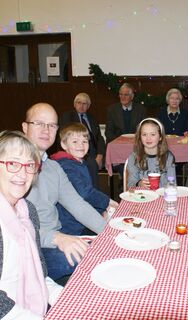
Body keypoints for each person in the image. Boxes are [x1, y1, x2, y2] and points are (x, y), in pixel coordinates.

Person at [22, 103, 114, 281]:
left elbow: (77, 205)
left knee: (104, 251)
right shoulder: (13, 169)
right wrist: (57, 238)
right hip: (29, 249)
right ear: (25, 127)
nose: (46, 130)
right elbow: (15, 229)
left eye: (52, 125)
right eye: (39, 123)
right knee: (90, 262)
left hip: (55, 241)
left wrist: (109, 234)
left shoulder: (53, 167)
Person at [0, 131, 62, 319]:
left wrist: (65, 297)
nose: (22, 173)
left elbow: (39, 275)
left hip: (35, 308)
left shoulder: (28, 211)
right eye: (12, 163)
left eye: (29, 165)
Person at [51, 123, 115, 236]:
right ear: (64, 144)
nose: (80, 145)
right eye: (75, 141)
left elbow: (89, 194)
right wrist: (108, 202)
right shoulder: (66, 166)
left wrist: (100, 211)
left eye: (84, 141)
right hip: (72, 226)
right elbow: (84, 192)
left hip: (82, 218)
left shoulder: (80, 162)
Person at [59, 92, 105, 188]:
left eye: (84, 104)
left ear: (88, 106)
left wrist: (100, 156)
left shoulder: (92, 119)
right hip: (76, 151)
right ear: (75, 104)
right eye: (79, 103)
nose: (81, 106)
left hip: (93, 152)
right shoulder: (67, 116)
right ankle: (93, 192)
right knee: (92, 164)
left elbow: (99, 138)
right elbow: (64, 137)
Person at [127, 118, 176, 188]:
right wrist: (139, 183)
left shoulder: (168, 157)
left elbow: (172, 182)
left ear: (160, 137)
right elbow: (131, 184)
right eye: (144, 134)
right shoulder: (134, 157)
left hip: (163, 195)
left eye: (152, 134)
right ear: (140, 137)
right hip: (142, 196)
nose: (148, 138)